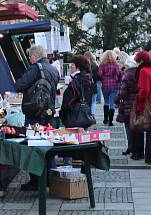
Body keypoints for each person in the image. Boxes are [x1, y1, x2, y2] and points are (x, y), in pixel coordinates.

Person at [14, 45, 59, 190]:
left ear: (34, 56)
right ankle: (50, 179)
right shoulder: (53, 69)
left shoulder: (35, 68)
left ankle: (35, 181)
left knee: (33, 148)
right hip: (49, 113)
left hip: (34, 114)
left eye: (29, 57)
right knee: (48, 146)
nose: (29, 59)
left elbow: (19, 85)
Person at [116, 58, 143, 160]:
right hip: (139, 102)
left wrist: (117, 100)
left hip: (128, 104)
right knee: (138, 128)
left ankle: (131, 147)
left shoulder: (127, 75)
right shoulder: (141, 73)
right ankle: (139, 150)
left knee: (129, 127)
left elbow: (123, 92)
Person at [60, 55, 94, 129]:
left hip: (73, 116)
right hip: (84, 114)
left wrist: (62, 113)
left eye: (72, 64)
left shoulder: (76, 81)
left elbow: (68, 100)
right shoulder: (88, 78)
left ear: (77, 67)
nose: (71, 66)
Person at [98, 50, 122, 126]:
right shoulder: (115, 64)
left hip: (105, 84)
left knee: (106, 101)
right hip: (114, 84)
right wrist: (118, 81)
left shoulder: (102, 65)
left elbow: (99, 74)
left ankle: (105, 119)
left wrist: (103, 78)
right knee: (112, 103)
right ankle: (110, 122)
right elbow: (118, 73)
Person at [85, 51, 102, 117]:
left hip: (86, 85)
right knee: (93, 101)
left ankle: (88, 114)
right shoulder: (95, 65)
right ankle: (93, 114)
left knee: (87, 101)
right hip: (94, 84)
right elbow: (98, 77)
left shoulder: (84, 65)